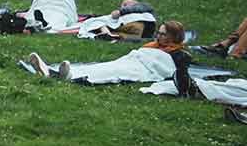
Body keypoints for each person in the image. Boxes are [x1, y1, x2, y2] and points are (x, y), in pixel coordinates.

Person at [27, 21, 193, 95]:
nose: (158, 37)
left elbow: (172, 70)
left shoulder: (179, 53)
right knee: (104, 66)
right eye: (159, 33)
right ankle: (51, 70)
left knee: (112, 72)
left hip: (142, 68)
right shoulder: (152, 46)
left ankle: (69, 75)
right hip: (132, 60)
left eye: (163, 34)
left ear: (173, 37)